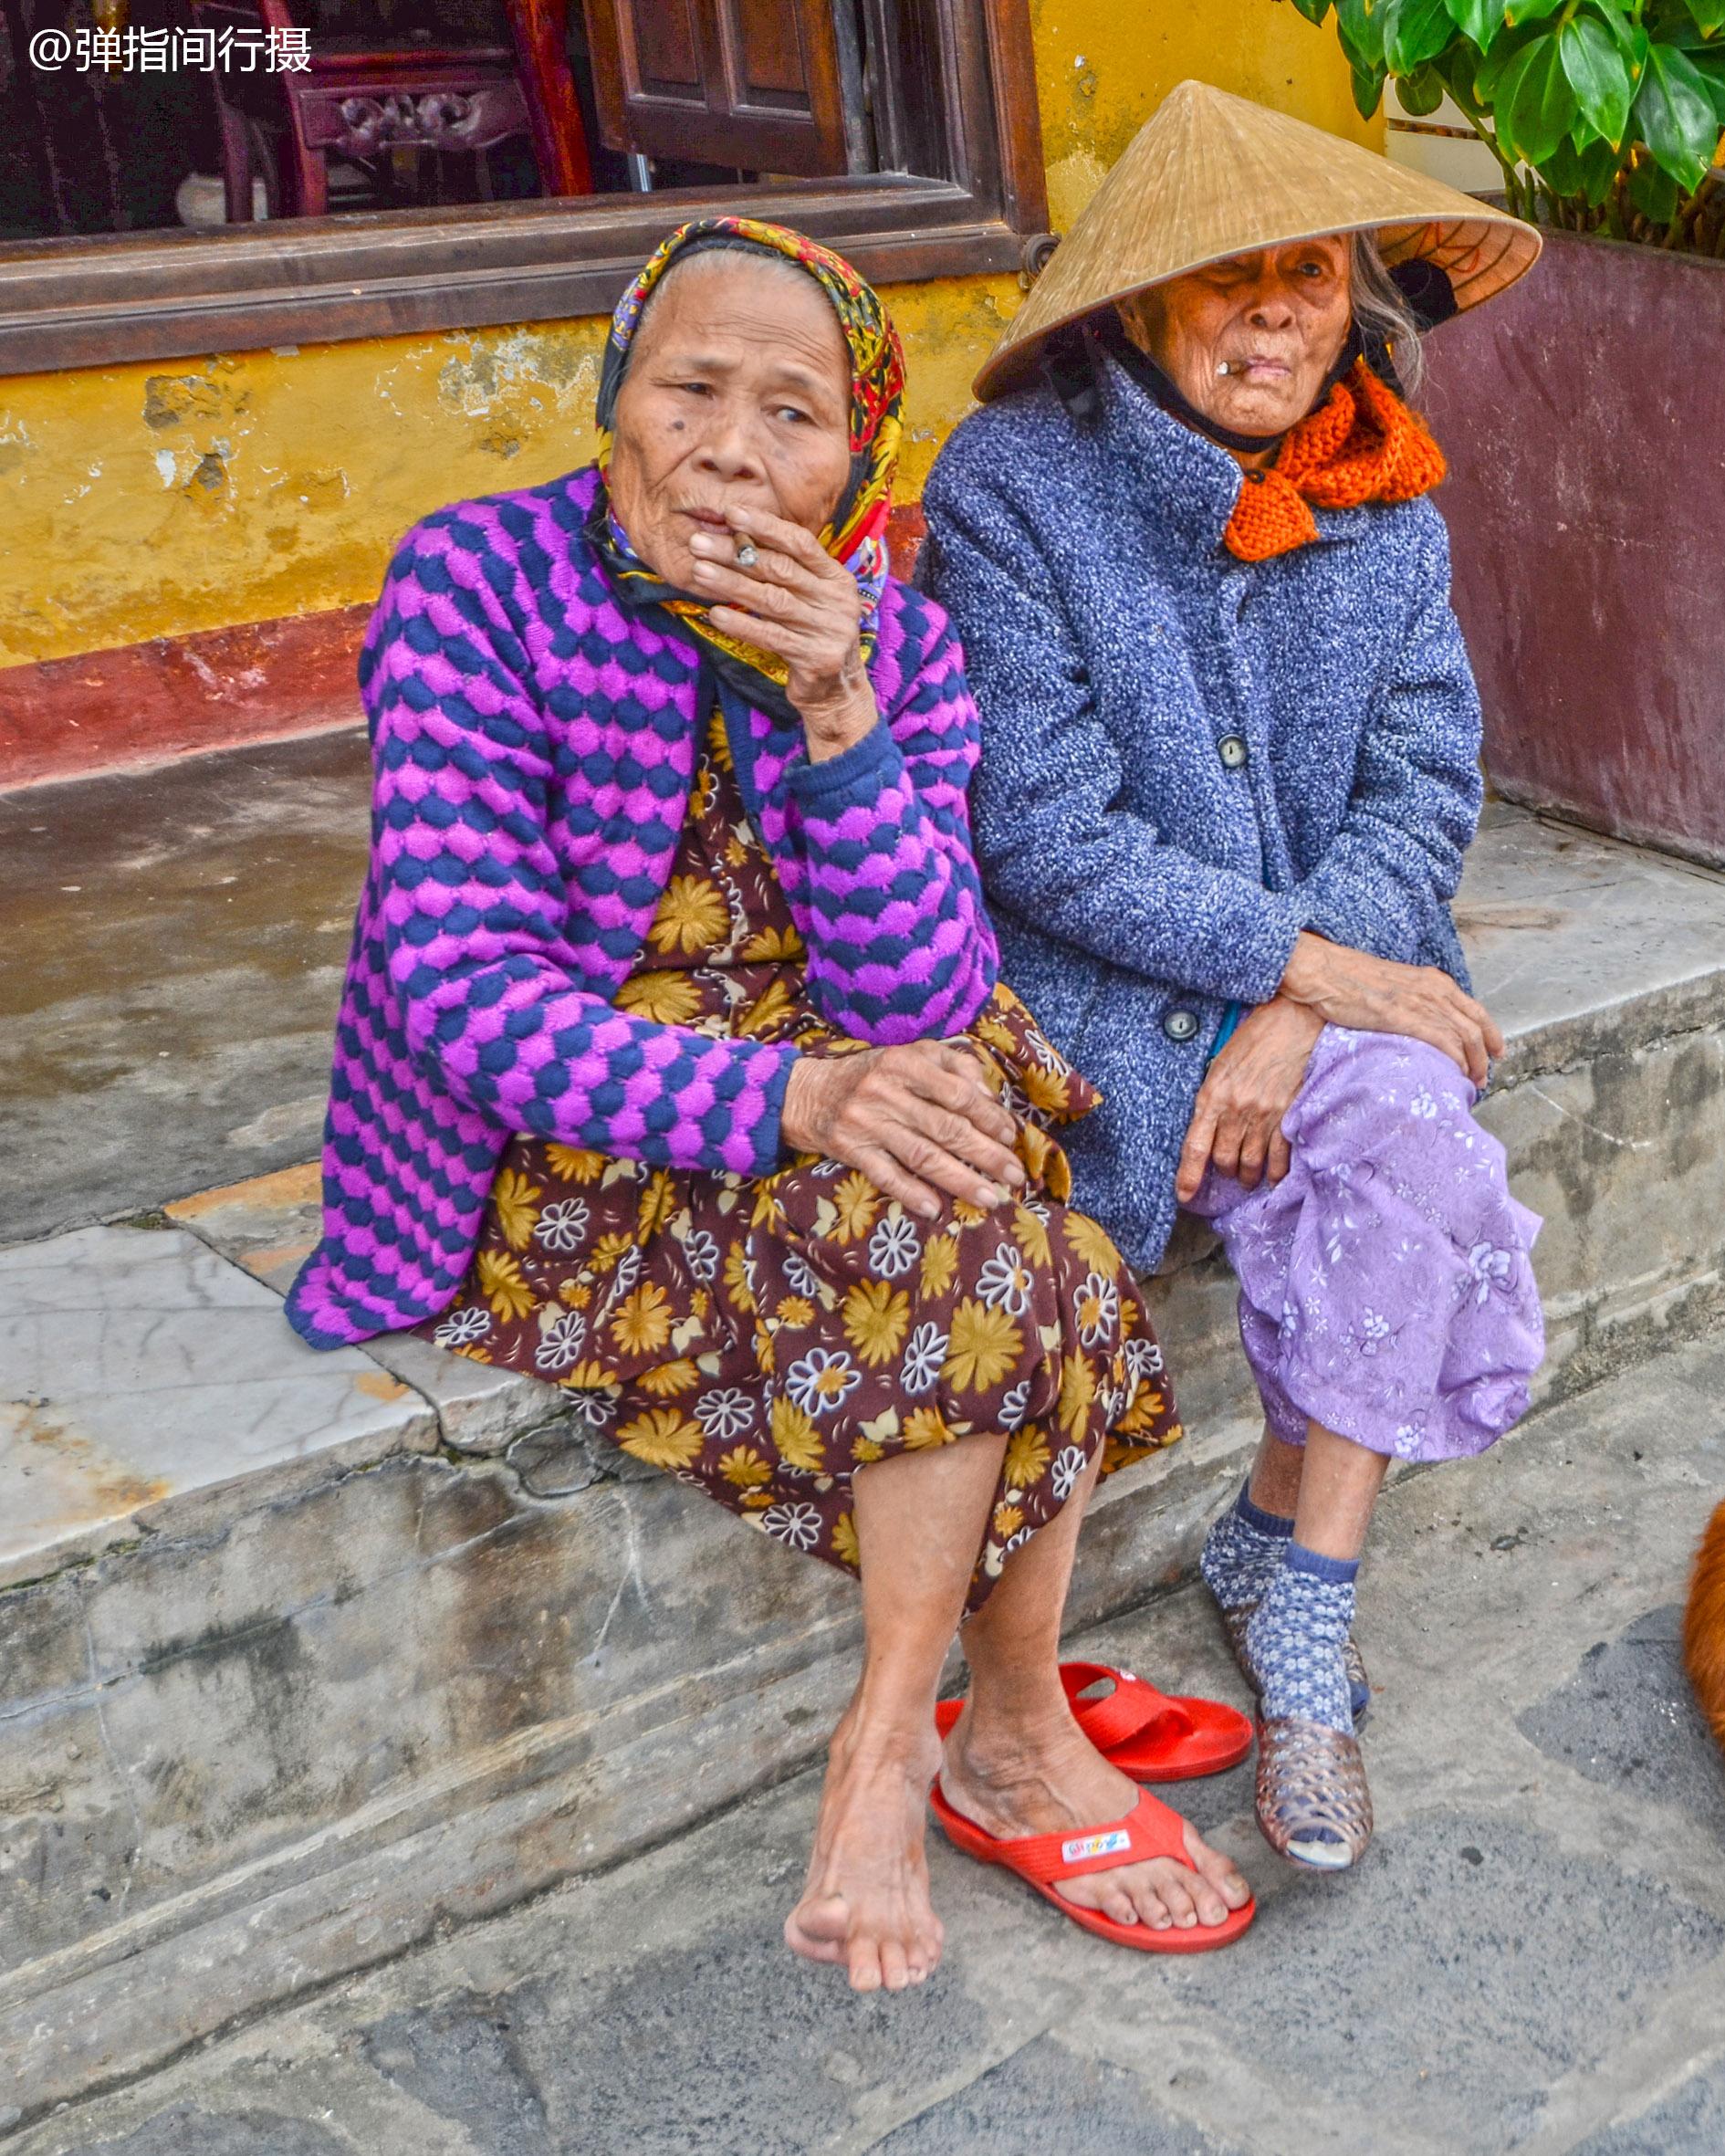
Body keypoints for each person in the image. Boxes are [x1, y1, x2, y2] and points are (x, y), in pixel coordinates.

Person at [284, 216, 1250, 1989]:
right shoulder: (473, 585)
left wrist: (838, 712)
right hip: (557, 1142)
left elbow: (915, 995)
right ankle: (994, 1721)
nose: (731, 448)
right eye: (690, 389)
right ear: (615, 401)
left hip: (836, 1063)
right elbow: (468, 992)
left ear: (855, 456)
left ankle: (906, 1737)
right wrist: (801, 1104)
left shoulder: (894, 638)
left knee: (980, 1148)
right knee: (1026, 1247)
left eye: (792, 413)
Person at [920, 82, 1548, 1872]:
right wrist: (1293, 964)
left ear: (1357, 297)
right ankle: (1259, 1566)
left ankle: (1300, 1596)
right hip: (1103, 983)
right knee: (1123, 1212)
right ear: (1136, 302)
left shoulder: (1385, 501)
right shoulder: (1016, 487)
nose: (1273, 311)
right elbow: (1038, 829)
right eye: (1225, 278)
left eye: (1309, 276)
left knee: (1414, 1138)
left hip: (1318, 971)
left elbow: (1423, 783)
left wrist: (1307, 1002)